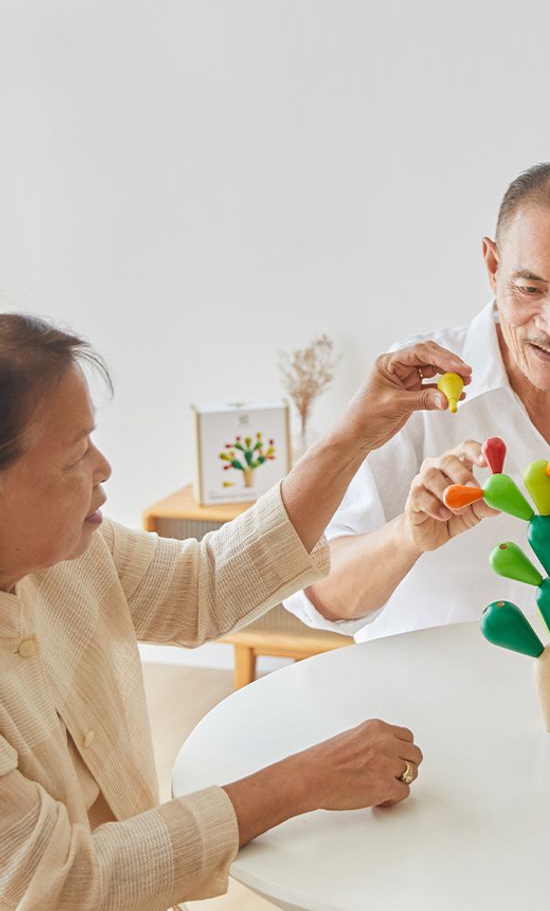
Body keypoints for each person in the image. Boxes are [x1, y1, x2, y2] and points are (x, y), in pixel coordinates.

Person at [0, 313, 470, 910]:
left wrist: (355, 433)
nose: (103, 467)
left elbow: (202, 586)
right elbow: (60, 883)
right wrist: (302, 781)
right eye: (74, 456)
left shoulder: (75, 553)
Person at [285, 159, 550, 642]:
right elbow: (319, 596)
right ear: (493, 267)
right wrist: (408, 534)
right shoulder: (411, 390)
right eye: (530, 288)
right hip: (421, 687)